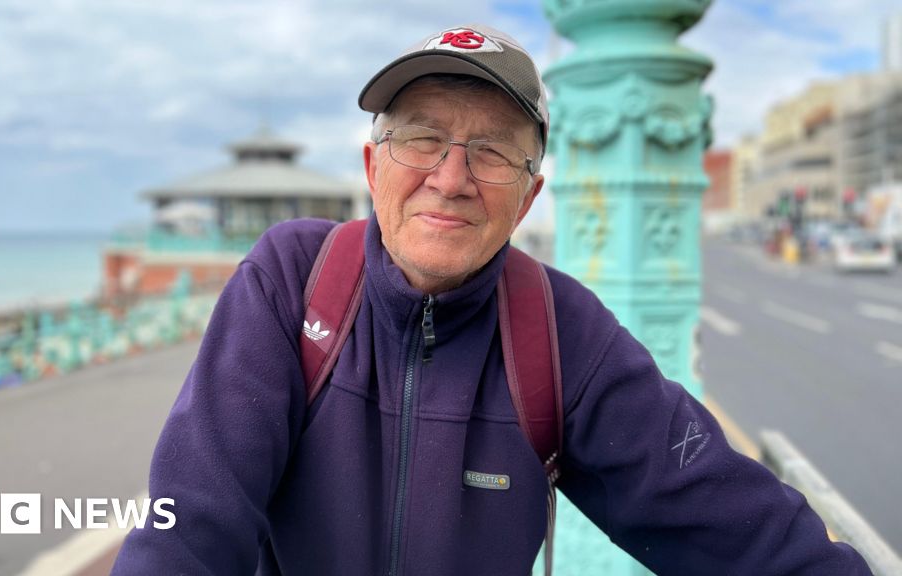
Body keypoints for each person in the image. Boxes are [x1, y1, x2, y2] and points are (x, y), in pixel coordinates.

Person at [111, 24, 873, 575]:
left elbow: (731, 522)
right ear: (373, 166)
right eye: (422, 138)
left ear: (529, 197)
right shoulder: (291, 280)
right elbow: (189, 526)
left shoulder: (561, 332)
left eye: (493, 152)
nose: (450, 178)